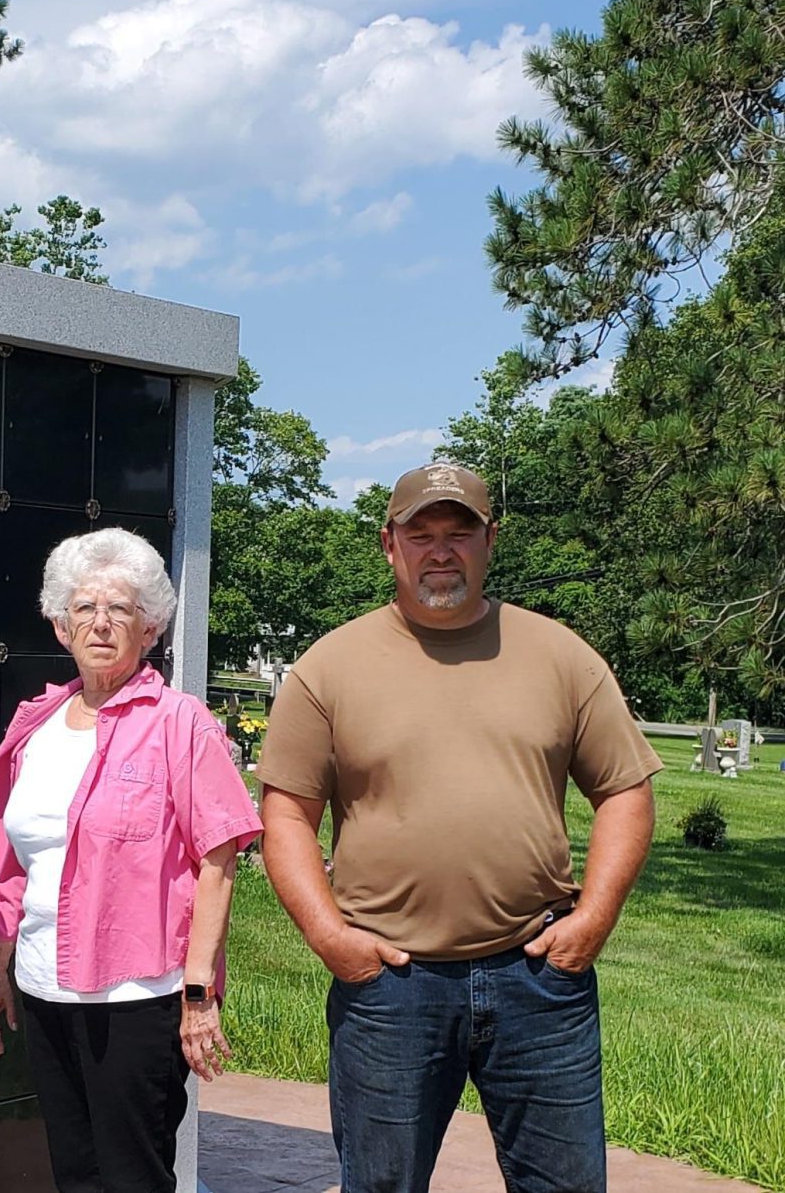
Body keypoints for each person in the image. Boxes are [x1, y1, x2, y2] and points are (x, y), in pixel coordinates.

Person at [258, 462, 661, 1193]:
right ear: (389, 544)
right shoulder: (331, 667)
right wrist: (328, 935)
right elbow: (286, 812)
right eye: (421, 534)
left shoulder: (559, 655)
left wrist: (595, 916)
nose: (440, 550)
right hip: (389, 986)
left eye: (459, 532)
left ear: (490, 541)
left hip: (538, 976)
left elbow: (626, 790)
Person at [0, 527, 263, 1193]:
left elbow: (219, 860)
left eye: (120, 609)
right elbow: (17, 855)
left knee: (134, 1175)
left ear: (150, 626)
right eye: (84, 607)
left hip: (139, 995)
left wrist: (198, 994)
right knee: (75, 1170)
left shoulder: (179, 722)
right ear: (59, 624)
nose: (100, 622)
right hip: (44, 986)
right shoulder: (36, 723)